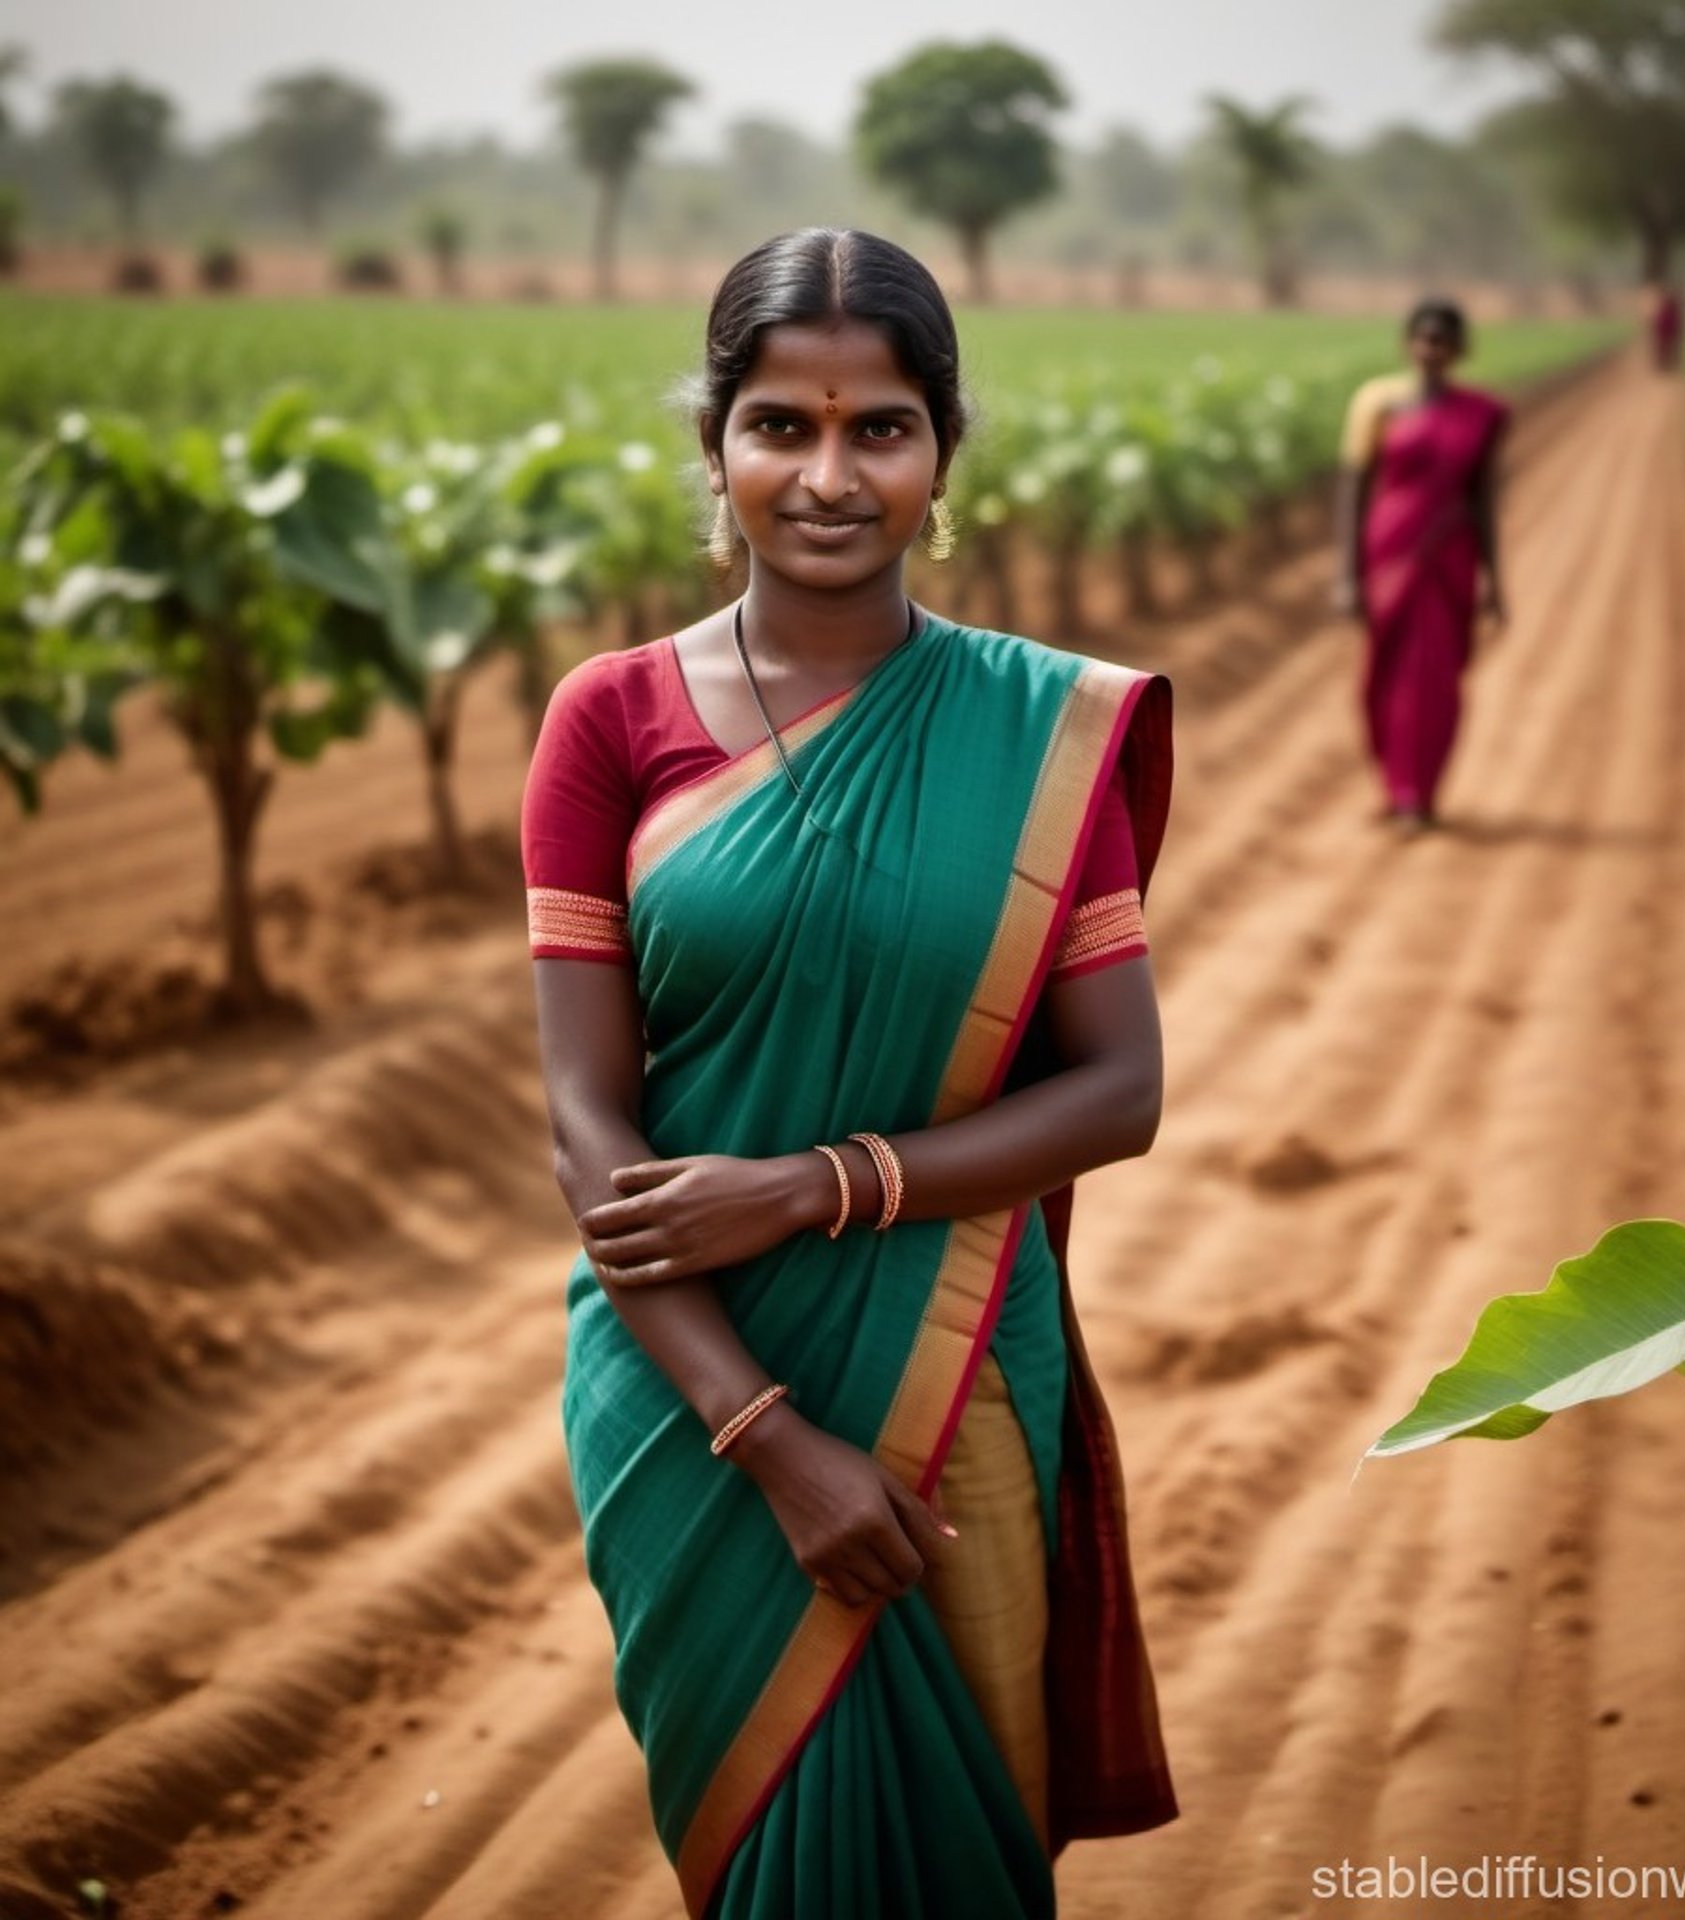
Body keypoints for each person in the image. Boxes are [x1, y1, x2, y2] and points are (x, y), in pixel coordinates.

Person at [520, 226, 1177, 1919]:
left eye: (878, 427)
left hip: (956, 1361)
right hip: (687, 1392)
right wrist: (768, 1438)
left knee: (966, 1843)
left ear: (942, 447)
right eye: (781, 426)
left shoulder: (1037, 732)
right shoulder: (610, 720)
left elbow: (1120, 1091)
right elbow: (590, 1125)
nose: (828, 475)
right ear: (718, 443)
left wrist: (824, 1184)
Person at [1333, 297, 1509, 833]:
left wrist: (1495, 583)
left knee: (1434, 683)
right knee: (1380, 678)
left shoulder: (1482, 416)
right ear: (1409, 343)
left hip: (1448, 559)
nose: (1432, 348)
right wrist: (1346, 575)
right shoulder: (1379, 407)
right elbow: (1354, 491)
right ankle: (1393, 784)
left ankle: (1417, 795)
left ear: (1460, 349)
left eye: (1443, 339)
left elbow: (1482, 500)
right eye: (1424, 337)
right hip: (1387, 555)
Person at [1648, 280, 1685, 372]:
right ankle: (1664, 364)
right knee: (1666, 346)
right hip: (1667, 327)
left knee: (1666, 346)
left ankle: (1665, 364)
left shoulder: (1669, 305)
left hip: (1667, 327)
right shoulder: (1672, 305)